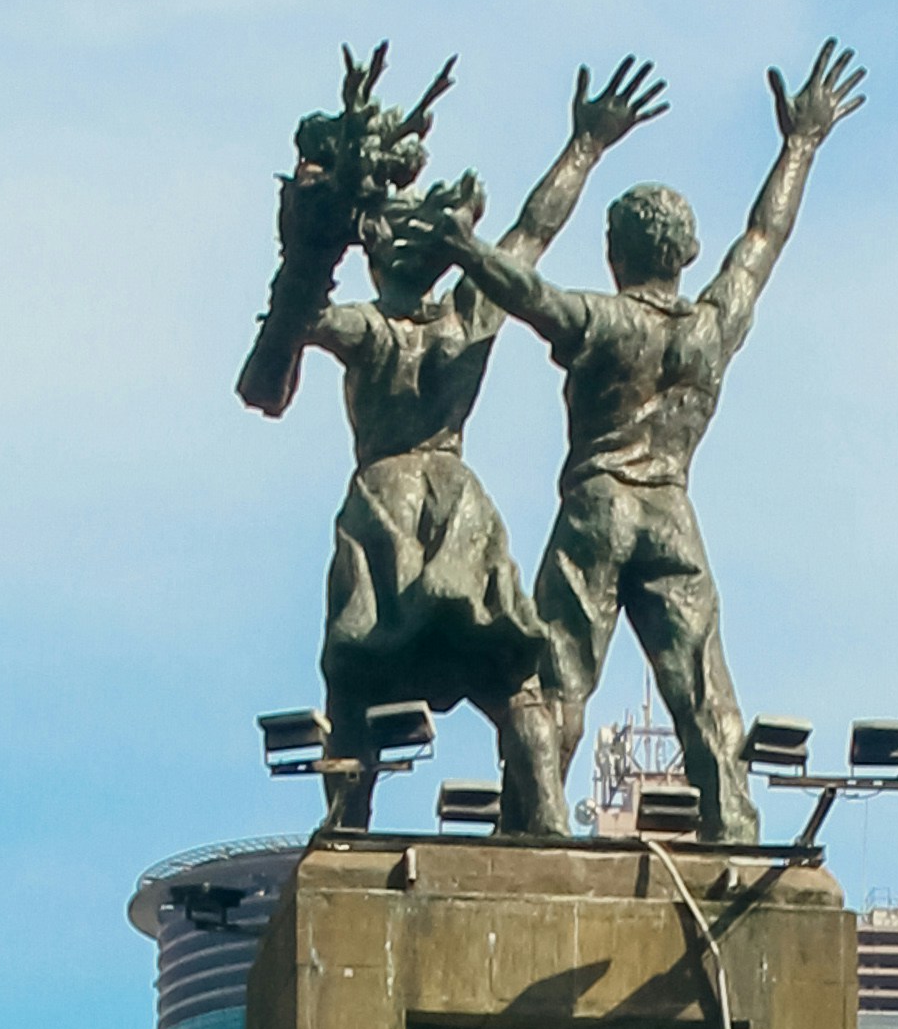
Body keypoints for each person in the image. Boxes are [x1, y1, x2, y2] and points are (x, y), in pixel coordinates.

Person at [433, 38, 864, 845]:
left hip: (599, 501)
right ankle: (731, 820)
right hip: (671, 508)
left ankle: (533, 820)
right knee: (701, 680)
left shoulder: (604, 323)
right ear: (688, 255)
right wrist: (800, 146)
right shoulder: (709, 330)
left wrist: (468, 245)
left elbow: (523, 289)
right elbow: (764, 241)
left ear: (614, 251)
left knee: (561, 672)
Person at [239, 53, 670, 828]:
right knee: (510, 678)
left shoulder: (368, 329)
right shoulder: (467, 314)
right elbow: (534, 231)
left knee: (356, 670)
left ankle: (347, 817)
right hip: (459, 499)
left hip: (385, 504)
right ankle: (541, 816)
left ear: (375, 254)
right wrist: (586, 146)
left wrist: (303, 257)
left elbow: (271, 368)